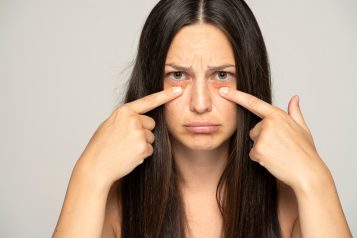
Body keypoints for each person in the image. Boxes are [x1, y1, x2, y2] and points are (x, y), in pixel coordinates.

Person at [52, 0, 352, 237]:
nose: (200, 103)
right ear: (151, 82)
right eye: (178, 75)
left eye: (222, 75)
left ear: (248, 79)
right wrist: (88, 176)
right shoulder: (112, 202)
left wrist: (315, 178)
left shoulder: (292, 199)